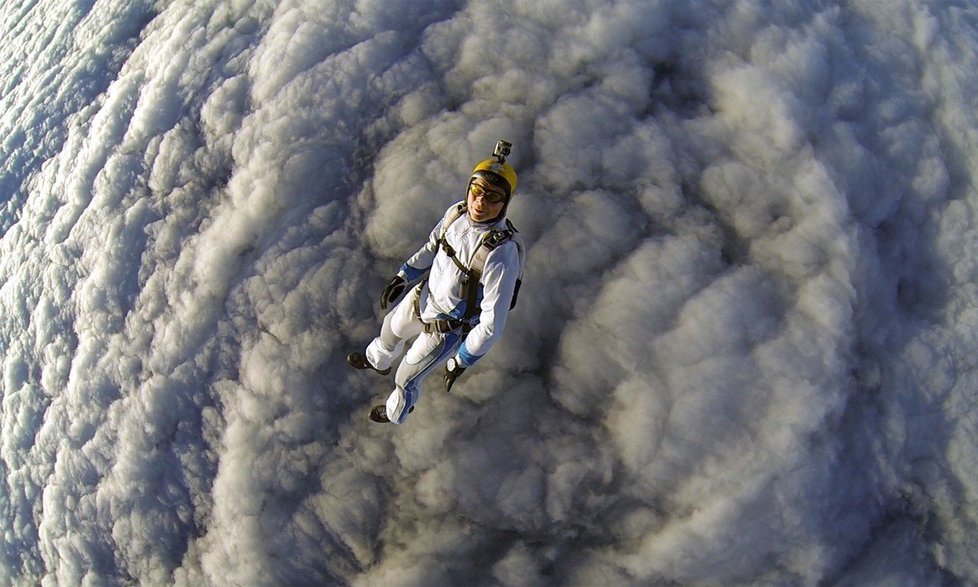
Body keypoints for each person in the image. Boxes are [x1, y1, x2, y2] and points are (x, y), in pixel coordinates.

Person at [347, 140, 526, 424]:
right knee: (389, 333)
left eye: (492, 197)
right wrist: (404, 276)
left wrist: (462, 359)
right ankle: (377, 360)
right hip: (423, 297)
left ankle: (395, 413)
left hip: (447, 327)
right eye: (477, 191)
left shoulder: (501, 254)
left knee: (405, 379)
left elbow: (493, 324)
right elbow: (433, 246)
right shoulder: (456, 213)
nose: (480, 202)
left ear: (505, 203)